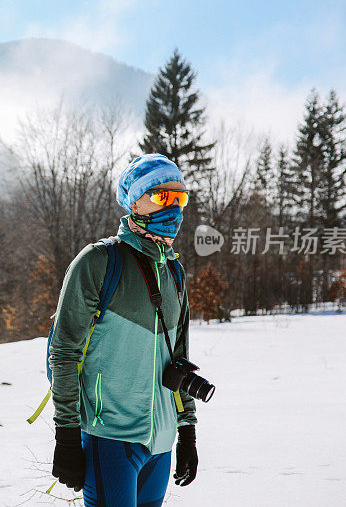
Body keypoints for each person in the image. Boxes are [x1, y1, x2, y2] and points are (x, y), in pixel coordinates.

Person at [49, 153, 198, 506]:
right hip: (110, 439)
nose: (174, 208)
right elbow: (64, 352)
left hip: (159, 446)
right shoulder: (99, 262)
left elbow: (180, 360)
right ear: (136, 201)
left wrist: (186, 432)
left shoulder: (175, 273)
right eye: (163, 196)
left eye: (181, 198)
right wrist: (66, 435)